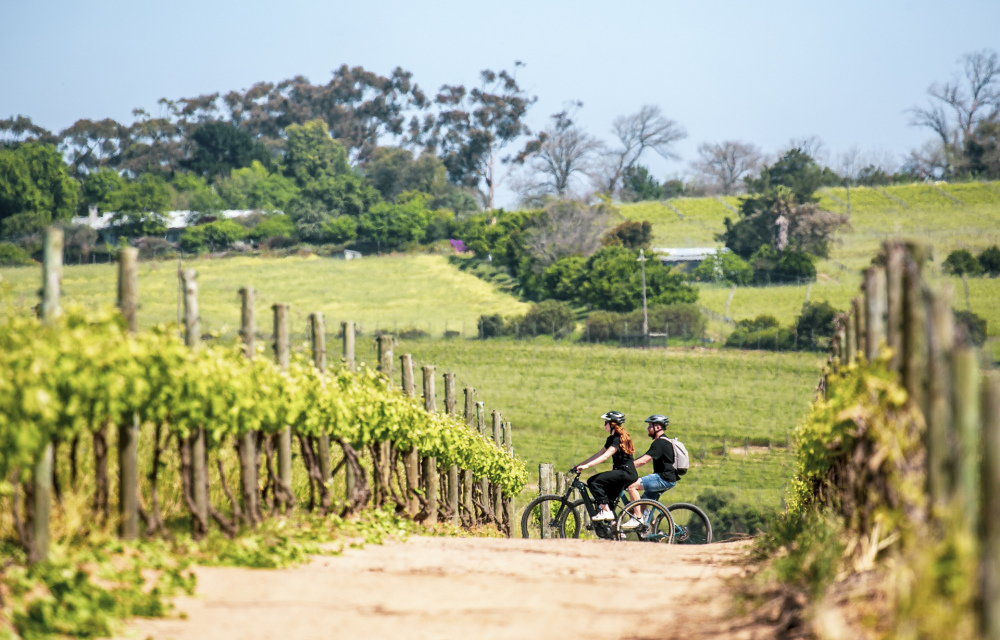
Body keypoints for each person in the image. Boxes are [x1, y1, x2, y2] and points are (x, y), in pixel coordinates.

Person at [571, 411, 638, 522]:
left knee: (593, 482)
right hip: (622, 473)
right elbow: (598, 454)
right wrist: (581, 464)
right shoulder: (611, 439)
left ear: (612, 424)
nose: (604, 425)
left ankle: (606, 511)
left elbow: (605, 456)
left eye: (606, 422)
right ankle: (614, 528)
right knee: (608, 502)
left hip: (625, 473)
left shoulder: (617, 438)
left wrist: (587, 466)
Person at [621, 414, 677, 530]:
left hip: (663, 479)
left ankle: (637, 518)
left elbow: (644, 460)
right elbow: (643, 458)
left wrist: (625, 468)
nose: (648, 428)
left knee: (632, 487)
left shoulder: (660, 443)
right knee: (642, 502)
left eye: (650, 426)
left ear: (657, 427)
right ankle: (655, 530)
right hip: (667, 479)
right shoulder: (663, 442)